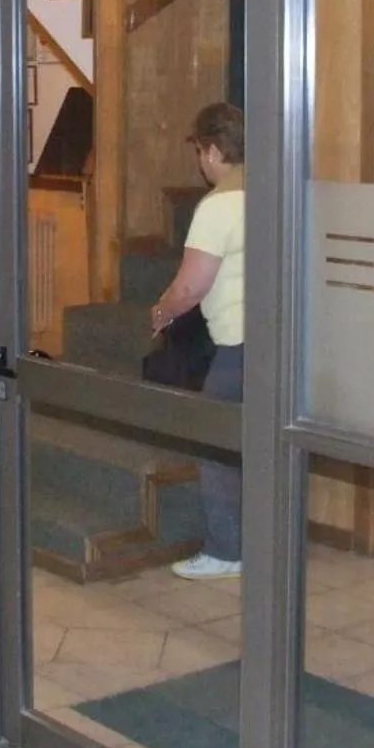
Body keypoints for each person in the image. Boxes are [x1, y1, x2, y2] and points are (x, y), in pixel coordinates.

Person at [149, 102, 246, 579]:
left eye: (200, 152)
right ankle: (267, 544)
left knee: (214, 444)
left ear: (211, 151)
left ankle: (227, 550)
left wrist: (161, 312)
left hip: (239, 344)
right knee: (256, 446)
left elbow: (191, 285)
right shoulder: (272, 192)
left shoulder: (217, 206)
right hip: (279, 342)